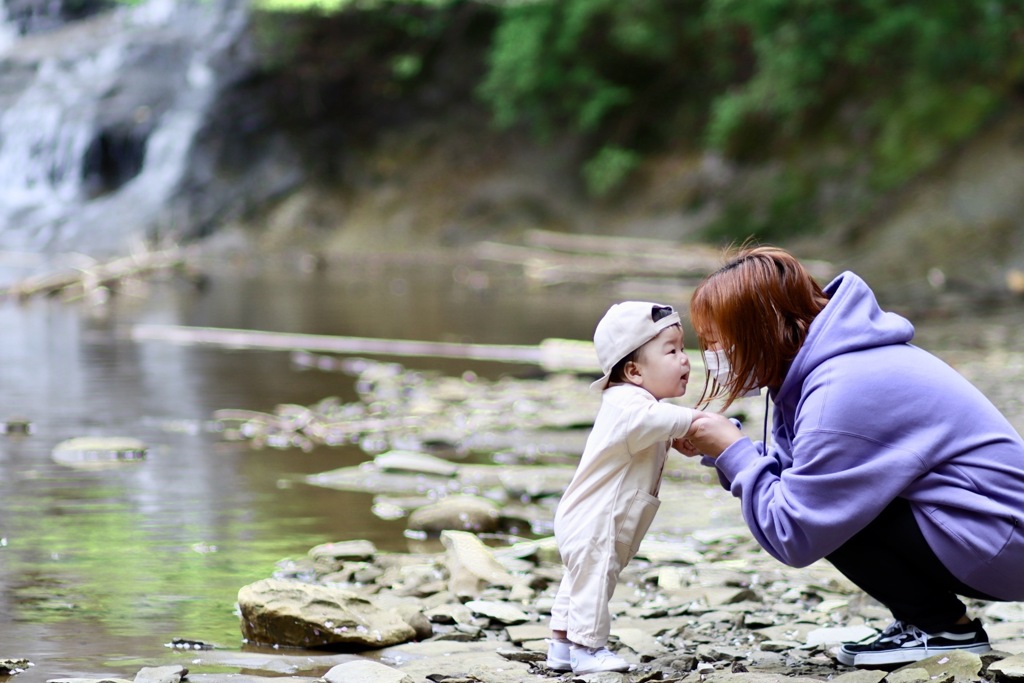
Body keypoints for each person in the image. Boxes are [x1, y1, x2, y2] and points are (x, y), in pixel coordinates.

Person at [679, 245, 1024, 668]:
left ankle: (943, 628)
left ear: (762, 331)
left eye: (723, 343)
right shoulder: (830, 364)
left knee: (827, 508)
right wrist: (725, 450)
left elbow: (794, 531)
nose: (717, 358)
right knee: (829, 491)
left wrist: (734, 452)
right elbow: (796, 473)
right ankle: (932, 621)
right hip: (994, 532)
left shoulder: (840, 390)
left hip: (1005, 545)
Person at [547, 301, 697, 674]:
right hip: (595, 520)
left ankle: (561, 646)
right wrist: (698, 422)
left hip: (597, 517)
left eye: (683, 348)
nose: (685, 360)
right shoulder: (628, 404)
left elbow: (650, 429)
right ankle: (588, 648)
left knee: (581, 579)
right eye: (672, 351)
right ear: (633, 370)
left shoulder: (638, 404)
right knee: (594, 579)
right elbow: (647, 421)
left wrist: (674, 439)